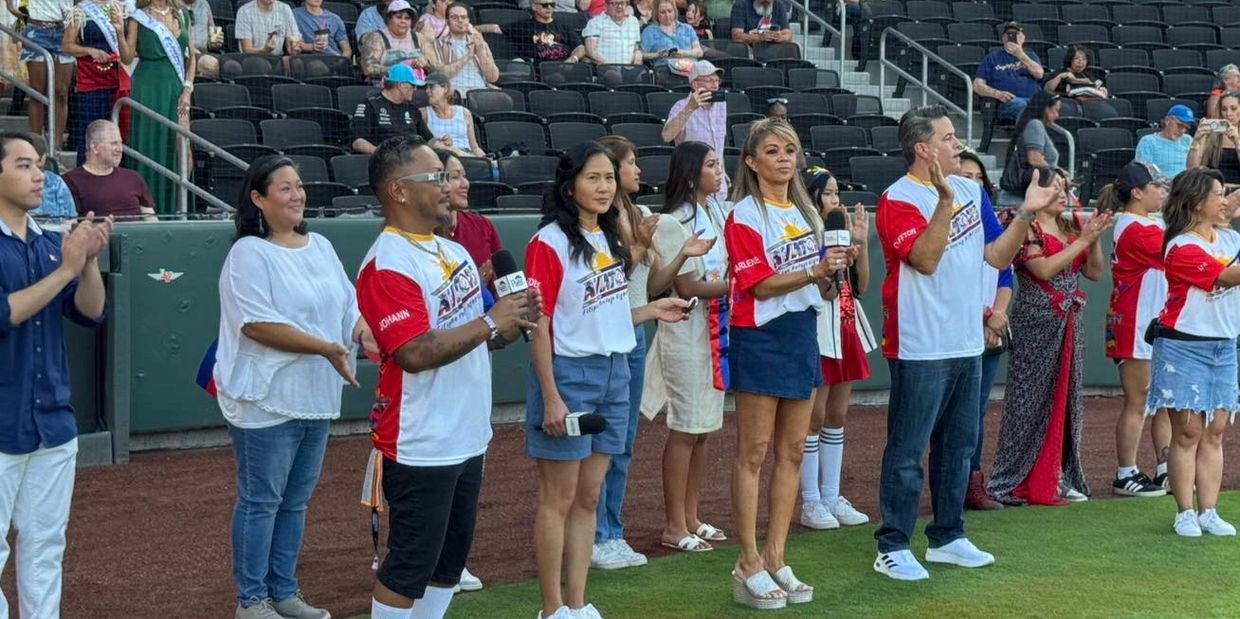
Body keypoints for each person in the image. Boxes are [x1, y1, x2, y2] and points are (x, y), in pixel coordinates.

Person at [873, 105, 1057, 581]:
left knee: (958, 447)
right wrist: (942, 200)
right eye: (949, 137)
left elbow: (997, 256)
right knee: (908, 451)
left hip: (967, 341)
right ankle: (893, 544)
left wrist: (1026, 214)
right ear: (923, 149)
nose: (958, 145)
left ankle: (947, 536)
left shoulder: (973, 191)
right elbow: (925, 259)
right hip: (920, 343)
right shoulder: (897, 198)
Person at [356, 135, 535, 619]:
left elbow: (482, 337)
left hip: (468, 431)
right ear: (398, 190)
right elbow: (413, 352)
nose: (449, 186)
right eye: (435, 176)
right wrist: (493, 321)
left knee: (448, 565)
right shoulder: (387, 262)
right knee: (409, 566)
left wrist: (513, 321)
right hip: (421, 438)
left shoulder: (453, 253)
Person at [524, 142, 687, 619]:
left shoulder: (611, 237)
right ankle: (551, 609)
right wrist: (551, 396)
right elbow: (540, 325)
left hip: (616, 373)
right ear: (569, 184)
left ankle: (577, 604)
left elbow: (605, 314)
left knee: (590, 496)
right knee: (558, 497)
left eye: (609, 178)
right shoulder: (549, 241)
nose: (603, 187)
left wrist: (652, 310)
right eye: (592, 178)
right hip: (571, 376)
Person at [215, 156, 371, 619]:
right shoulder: (248, 253)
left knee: (295, 502)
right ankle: (251, 601)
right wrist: (325, 347)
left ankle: (283, 592)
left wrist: (363, 333)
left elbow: (348, 306)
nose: (297, 195)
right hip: (265, 399)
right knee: (261, 501)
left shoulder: (321, 245)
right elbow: (256, 325)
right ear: (258, 199)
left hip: (315, 397)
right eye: (285, 188)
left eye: (299, 185)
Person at [722, 119, 849, 610]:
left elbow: (823, 290)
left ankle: (776, 555)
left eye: (790, 150)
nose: (783, 159)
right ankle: (748, 560)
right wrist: (815, 270)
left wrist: (833, 272)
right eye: (772, 151)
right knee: (753, 452)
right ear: (752, 162)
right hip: (759, 335)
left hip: (801, 333)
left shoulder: (807, 212)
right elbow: (758, 286)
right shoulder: (743, 214)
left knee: (793, 450)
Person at [0, 131, 110, 619]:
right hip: (3, 424)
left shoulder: (49, 244)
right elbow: (4, 314)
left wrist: (88, 263)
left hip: (52, 422)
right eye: (23, 164)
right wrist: (67, 269)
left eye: (40, 164)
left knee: (46, 545)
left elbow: (91, 312)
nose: (38, 175)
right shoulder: (52, 254)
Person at [591, 136, 712, 568]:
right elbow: (607, 279)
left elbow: (654, 283)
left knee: (622, 443)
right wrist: (640, 246)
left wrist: (681, 255)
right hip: (604, 335)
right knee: (601, 444)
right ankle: (597, 535)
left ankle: (612, 530)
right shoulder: (599, 221)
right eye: (630, 163)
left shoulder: (641, 214)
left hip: (635, 332)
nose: (638, 170)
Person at [987, 170, 1111, 506]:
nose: (1061, 193)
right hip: (1036, 321)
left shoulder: (1071, 226)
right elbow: (1041, 270)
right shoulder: (1026, 226)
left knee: (1067, 397)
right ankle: (1014, 477)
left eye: (1063, 187)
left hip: (1070, 319)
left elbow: (1095, 272)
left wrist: (1094, 238)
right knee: (1028, 400)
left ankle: (1058, 474)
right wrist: (1084, 241)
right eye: (1053, 187)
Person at [646, 140, 731, 555]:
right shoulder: (672, 222)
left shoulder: (716, 212)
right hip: (685, 330)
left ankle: (692, 516)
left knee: (703, 431)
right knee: (685, 428)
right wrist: (741, 286)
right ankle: (673, 524)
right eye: (712, 165)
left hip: (716, 330)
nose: (720, 171)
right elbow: (685, 286)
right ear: (692, 173)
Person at [1146, 166, 1240, 538]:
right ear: (1198, 202)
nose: (1224, 200)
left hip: (1224, 345)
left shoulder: (1229, 238)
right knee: (1187, 432)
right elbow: (1227, 277)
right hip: (1183, 346)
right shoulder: (1181, 246)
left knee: (1214, 431)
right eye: (1218, 194)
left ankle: (1209, 511)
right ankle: (1185, 511)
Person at [795, 168, 875, 531]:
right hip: (819, 327)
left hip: (845, 323)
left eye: (836, 193)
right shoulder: (805, 230)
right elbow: (823, 290)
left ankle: (831, 495)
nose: (835, 200)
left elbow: (861, 287)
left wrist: (861, 246)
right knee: (813, 417)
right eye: (828, 193)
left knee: (837, 415)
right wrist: (830, 258)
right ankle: (811, 501)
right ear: (812, 196)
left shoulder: (840, 232)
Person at [1102, 161, 1172, 498]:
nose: (1160, 191)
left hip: (1152, 321)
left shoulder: (1146, 222)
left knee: (1162, 400)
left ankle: (1167, 468)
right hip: (1135, 323)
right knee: (1138, 400)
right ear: (1137, 193)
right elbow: (1175, 249)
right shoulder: (1134, 227)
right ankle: (1125, 472)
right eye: (1154, 186)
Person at [956, 149, 1011, 512]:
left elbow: (1005, 276)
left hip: (991, 332)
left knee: (975, 411)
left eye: (979, 178)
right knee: (951, 415)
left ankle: (972, 483)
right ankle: (951, 485)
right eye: (966, 177)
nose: (974, 184)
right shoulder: (949, 224)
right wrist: (986, 316)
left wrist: (998, 315)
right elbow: (949, 283)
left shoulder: (994, 229)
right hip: (960, 329)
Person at [121, 0, 196, 216]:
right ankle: (147, 208)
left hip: (177, 89)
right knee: (149, 143)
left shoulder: (183, 15)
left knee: (182, 146)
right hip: (147, 89)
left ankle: (179, 208)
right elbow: (127, 57)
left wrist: (188, 89)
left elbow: (192, 57)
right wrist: (118, 30)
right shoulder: (137, 18)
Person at [62, 0, 130, 167]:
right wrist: (89, 50)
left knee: (118, 133)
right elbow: (67, 46)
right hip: (91, 81)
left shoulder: (120, 8)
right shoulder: (79, 11)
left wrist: (120, 33)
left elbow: (128, 50)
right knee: (90, 132)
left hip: (117, 80)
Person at [8, 0, 74, 146]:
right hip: (36, 29)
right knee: (37, 92)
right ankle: (38, 145)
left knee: (62, 93)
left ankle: (56, 147)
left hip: (65, 29)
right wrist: (11, 7)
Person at [64, 120, 156, 219]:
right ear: (95, 148)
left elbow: (151, 220)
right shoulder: (70, 181)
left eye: (121, 143)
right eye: (114, 143)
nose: (120, 149)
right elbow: (69, 225)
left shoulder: (134, 178)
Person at [662, 60, 727, 201]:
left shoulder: (721, 106)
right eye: (710, 81)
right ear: (696, 85)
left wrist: (723, 172)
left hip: (719, 185)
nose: (715, 85)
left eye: (717, 81)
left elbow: (719, 144)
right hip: (693, 184)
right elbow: (667, 136)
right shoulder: (681, 106)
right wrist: (690, 108)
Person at [435, 148, 501, 284]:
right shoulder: (423, 233)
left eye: (464, 176)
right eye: (455, 177)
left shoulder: (482, 225)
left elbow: (502, 279)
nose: (465, 184)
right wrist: (477, 284)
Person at [350, 65, 439, 155]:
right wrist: (383, 155)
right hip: (386, 158)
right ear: (401, 85)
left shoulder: (412, 109)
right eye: (413, 85)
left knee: (445, 155)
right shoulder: (370, 105)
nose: (415, 89)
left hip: (413, 156)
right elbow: (357, 142)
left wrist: (441, 143)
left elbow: (429, 139)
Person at [972, 21, 1044, 121]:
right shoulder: (992, 58)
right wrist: (997, 94)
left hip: (1034, 99)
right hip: (1008, 102)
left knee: (1052, 106)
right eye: (1009, 34)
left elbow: (1039, 74)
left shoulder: (1030, 55)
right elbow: (977, 85)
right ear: (1003, 38)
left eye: (1016, 34)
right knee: (1023, 106)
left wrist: (1020, 55)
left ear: (1023, 38)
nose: (1012, 36)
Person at [424, 3, 500, 97]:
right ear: (447, 21)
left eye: (463, 17)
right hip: (455, 92)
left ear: (468, 20)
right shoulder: (437, 45)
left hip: (480, 90)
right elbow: (441, 75)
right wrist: (469, 55)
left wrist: (481, 53)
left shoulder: (480, 43)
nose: (460, 20)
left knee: (505, 99)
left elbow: (493, 77)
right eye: (454, 17)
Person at [1001, 91, 1060, 193]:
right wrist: (1057, 176)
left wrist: (1062, 173)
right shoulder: (1035, 125)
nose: (1057, 115)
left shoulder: (1032, 124)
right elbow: (1035, 159)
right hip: (1027, 194)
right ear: (1046, 108)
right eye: (1056, 110)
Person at [358, 0, 430, 84]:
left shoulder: (419, 38)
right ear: (389, 19)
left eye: (407, 18)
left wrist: (424, 63)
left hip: (418, 86)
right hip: (385, 86)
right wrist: (397, 70)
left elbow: (434, 65)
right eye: (398, 17)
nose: (403, 21)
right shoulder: (376, 38)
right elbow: (368, 68)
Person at [1043, 45, 1117, 121]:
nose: (1080, 62)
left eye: (1084, 59)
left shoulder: (1087, 75)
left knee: (1110, 113)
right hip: (1068, 105)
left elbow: (1099, 85)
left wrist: (1103, 89)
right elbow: (1047, 89)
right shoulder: (1059, 73)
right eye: (1077, 58)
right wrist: (1060, 77)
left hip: (1090, 105)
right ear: (1070, 59)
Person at [420, 72, 485, 158]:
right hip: (442, 157)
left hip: (467, 156)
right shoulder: (424, 114)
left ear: (445, 88)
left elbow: (475, 147)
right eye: (426, 88)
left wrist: (486, 159)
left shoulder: (464, 112)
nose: (427, 91)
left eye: (431, 87)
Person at [505, 0, 585, 64]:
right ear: (534, 6)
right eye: (545, 5)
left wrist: (573, 58)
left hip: (564, 68)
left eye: (552, 4)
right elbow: (498, 29)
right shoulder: (523, 26)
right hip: (538, 70)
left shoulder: (564, 27)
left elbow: (580, 48)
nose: (549, 7)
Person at [1188, 92, 1240, 187]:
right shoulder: (1210, 134)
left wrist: (1237, 141)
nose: (1228, 114)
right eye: (1224, 109)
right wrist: (1196, 140)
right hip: (1212, 188)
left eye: (1233, 109)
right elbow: (1192, 170)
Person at [1136, 105, 1195, 179]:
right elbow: (1143, 172)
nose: (1183, 131)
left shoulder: (1188, 139)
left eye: (1186, 128)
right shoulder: (1148, 141)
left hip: (1187, 182)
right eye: (1180, 125)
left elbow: (1196, 166)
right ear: (1167, 121)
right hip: (1161, 183)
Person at [640, 0, 702, 70]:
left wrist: (684, 53)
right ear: (657, 14)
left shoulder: (687, 28)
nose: (667, 15)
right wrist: (657, 55)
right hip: (666, 70)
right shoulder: (649, 31)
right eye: (663, 12)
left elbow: (699, 52)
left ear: (675, 11)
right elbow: (642, 55)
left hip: (691, 68)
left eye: (670, 11)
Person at [27, 134, 75, 218]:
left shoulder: (56, 182)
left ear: (43, 158)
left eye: (38, 159)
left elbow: (71, 218)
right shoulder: (13, 182)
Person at [583, 0, 642, 66]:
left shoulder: (633, 21)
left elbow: (635, 47)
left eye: (622, 3)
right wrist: (609, 66)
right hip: (605, 68)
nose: (619, 6)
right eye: (615, 3)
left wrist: (638, 52)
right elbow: (590, 51)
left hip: (630, 68)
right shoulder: (596, 22)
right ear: (606, 5)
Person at [235, 0, 300, 55]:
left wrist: (294, 48)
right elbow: (247, 50)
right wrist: (265, 51)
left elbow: (292, 42)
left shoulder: (285, 9)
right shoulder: (244, 11)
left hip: (277, 58)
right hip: (252, 58)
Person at [185, 0, 223, 78]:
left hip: (204, 52)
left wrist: (214, 42)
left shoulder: (204, 4)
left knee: (231, 66)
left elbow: (213, 31)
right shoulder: (172, 5)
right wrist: (193, 50)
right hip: (185, 53)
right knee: (209, 64)